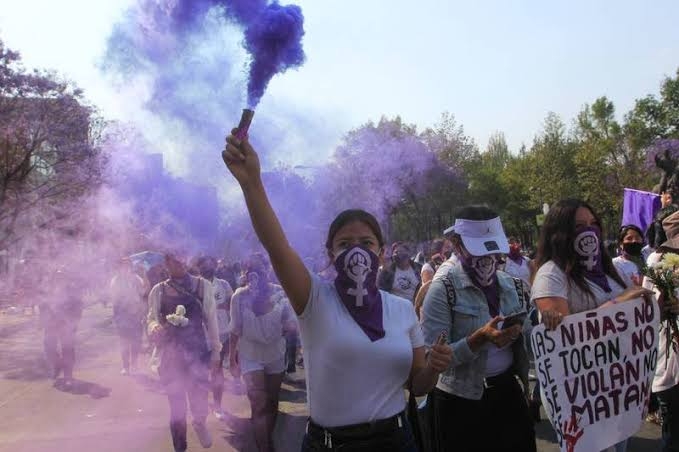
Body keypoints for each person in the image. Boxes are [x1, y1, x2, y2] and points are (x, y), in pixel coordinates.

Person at [222, 130, 452, 452]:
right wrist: (251, 183)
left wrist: (434, 367)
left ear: (382, 252)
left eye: (367, 243)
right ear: (330, 254)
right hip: (332, 444)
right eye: (345, 244)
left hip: (396, 441)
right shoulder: (314, 299)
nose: (356, 252)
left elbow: (416, 385)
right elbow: (276, 245)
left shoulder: (401, 310)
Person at [531, 199, 652, 452]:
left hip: (616, 387)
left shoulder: (609, 270)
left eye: (593, 224)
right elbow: (567, 338)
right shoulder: (551, 274)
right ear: (560, 232)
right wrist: (619, 302)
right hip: (581, 397)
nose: (589, 231)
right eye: (579, 226)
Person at [420, 206, 535, 452]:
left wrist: (542, 323)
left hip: (506, 393)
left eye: (491, 249)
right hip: (460, 401)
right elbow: (431, 358)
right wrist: (477, 340)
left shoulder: (512, 285)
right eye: (477, 248)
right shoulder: (443, 289)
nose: (486, 260)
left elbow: (529, 340)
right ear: (457, 245)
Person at [147, 253, 220, 452]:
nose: (179, 261)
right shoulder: (158, 290)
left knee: (199, 401)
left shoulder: (202, 286)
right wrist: (154, 327)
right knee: (176, 409)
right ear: (166, 262)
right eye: (173, 258)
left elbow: (211, 321)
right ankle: (180, 447)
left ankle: (199, 422)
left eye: (182, 256)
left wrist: (216, 353)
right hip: (170, 358)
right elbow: (151, 318)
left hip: (197, 355)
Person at [228, 257, 296, 452]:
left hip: (275, 353)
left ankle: (267, 437)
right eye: (251, 271)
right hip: (250, 354)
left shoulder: (281, 294)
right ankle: (264, 448)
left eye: (261, 270)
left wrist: (290, 326)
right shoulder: (239, 297)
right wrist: (233, 359)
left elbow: (291, 325)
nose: (256, 276)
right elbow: (235, 330)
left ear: (269, 271)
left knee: (272, 401)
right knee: (258, 403)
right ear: (245, 275)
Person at [642, 211, 679, 452]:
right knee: (673, 434)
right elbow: (648, 312)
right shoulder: (658, 261)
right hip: (670, 361)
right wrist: (664, 305)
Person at [196, 255, 234, 421]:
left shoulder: (224, 285)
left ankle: (218, 405)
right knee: (200, 372)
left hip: (222, 333)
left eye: (210, 262)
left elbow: (232, 304)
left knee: (217, 371)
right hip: (200, 335)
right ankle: (201, 405)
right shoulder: (194, 285)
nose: (208, 265)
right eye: (204, 263)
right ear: (199, 267)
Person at [41, 266, 84, 386]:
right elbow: (43, 305)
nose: (60, 279)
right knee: (48, 348)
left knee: (68, 349)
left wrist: (74, 322)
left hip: (67, 324)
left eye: (62, 276)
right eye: (58, 277)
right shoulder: (49, 290)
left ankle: (68, 376)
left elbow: (79, 307)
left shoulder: (72, 290)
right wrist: (43, 320)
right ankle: (57, 365)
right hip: (51, 324)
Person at [109, 258, 147, 375]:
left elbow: (143, 293)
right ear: (119, 267)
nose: (126, 268)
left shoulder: (136, 279)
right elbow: (115, 298)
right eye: (123, 265)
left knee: (136, 341)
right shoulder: (115, 280)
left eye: (128, 265)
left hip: (136, 314)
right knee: (124, 342)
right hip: (122, 314)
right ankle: (126, 366)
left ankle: (134, 365)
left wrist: (145, 276)